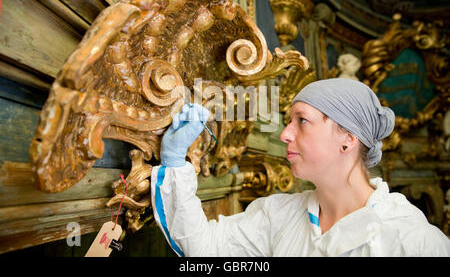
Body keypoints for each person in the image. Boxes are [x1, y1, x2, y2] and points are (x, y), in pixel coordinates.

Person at [150, 78, 450, 256]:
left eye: (302, 120)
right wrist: (175, 164)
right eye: (288, 120)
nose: (285, 134)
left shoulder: (414, 241)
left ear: (347, 138)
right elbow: (206, 249)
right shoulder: (278, 215)